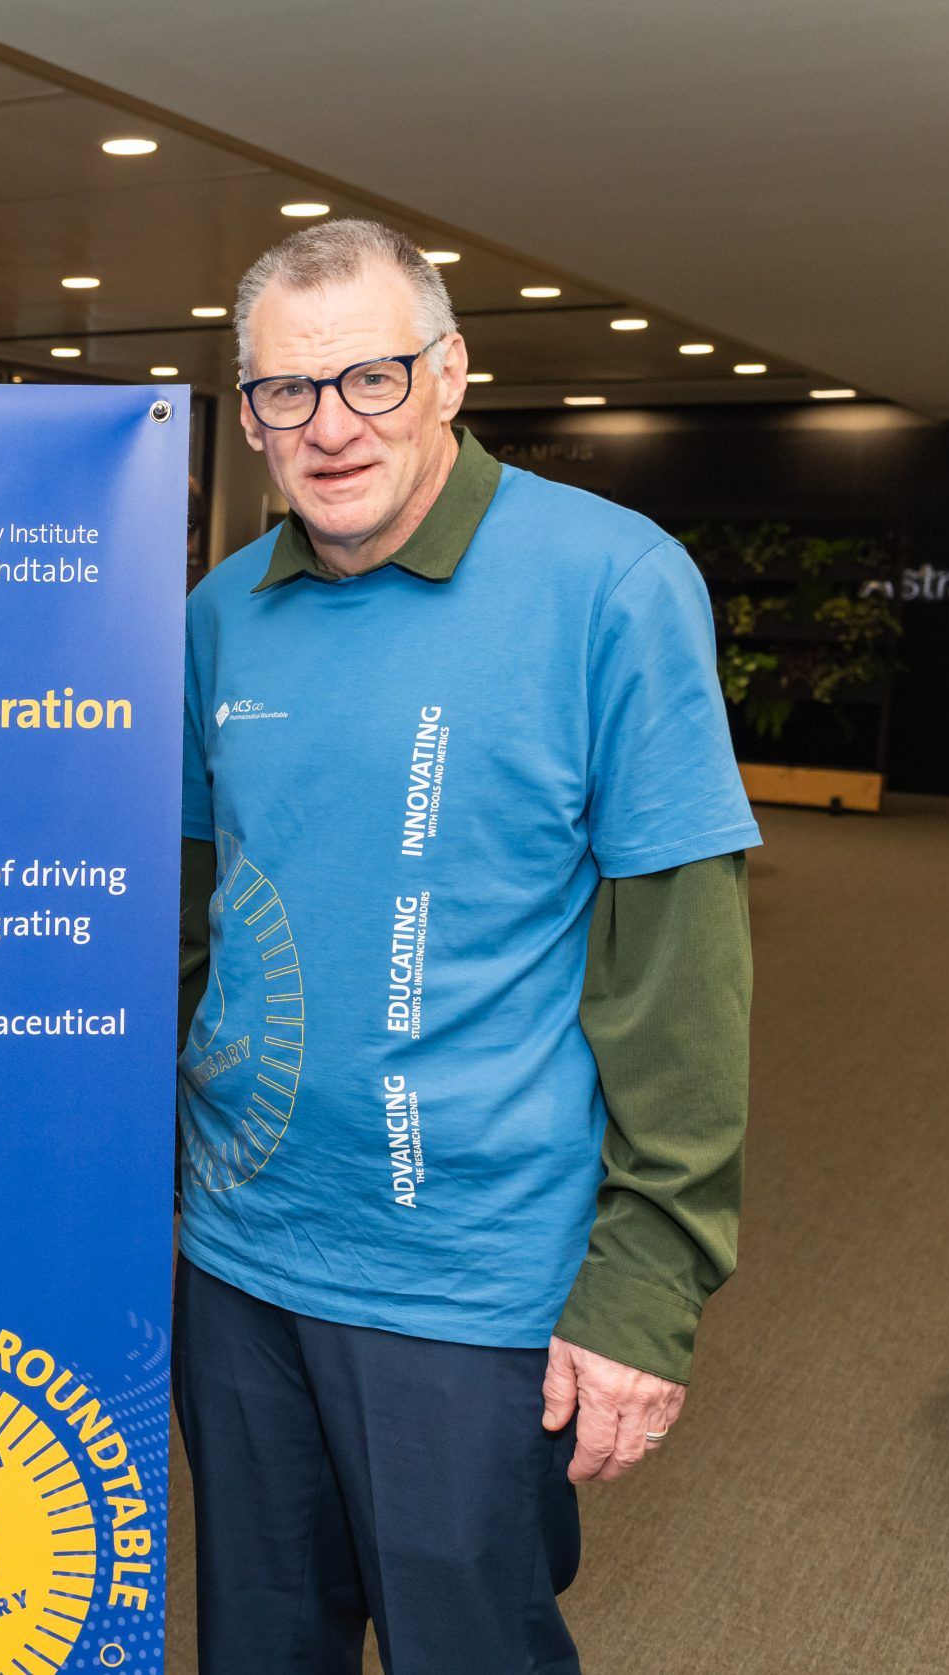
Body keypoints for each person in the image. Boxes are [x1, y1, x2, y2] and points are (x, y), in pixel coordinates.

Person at [176, 219, 756, 1673]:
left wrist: (649, 1280)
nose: (328, 427)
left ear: (450, 374)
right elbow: (200, 921)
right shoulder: (218, 614)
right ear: (248, 416)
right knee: (259, 1642)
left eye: (369, 378)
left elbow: (679, 965)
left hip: (467, 1281)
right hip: (235, 1258)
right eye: (284, 393)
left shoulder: (610, 583)